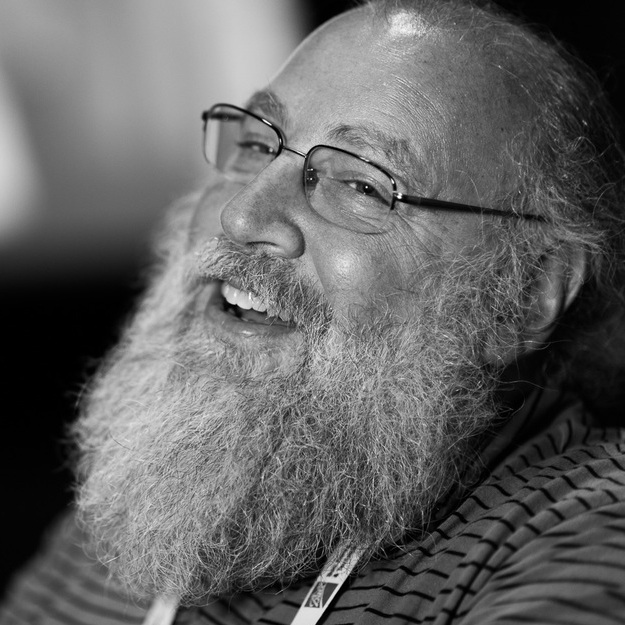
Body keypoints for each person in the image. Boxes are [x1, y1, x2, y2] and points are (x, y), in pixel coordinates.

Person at [2, 0, 625, 623]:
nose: (241, 216)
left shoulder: (584, 543)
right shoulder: (149, 499)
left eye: (359, 185)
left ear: (526, 292)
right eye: (254, 143)